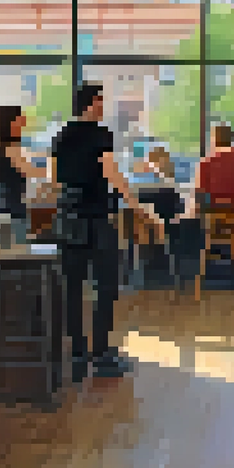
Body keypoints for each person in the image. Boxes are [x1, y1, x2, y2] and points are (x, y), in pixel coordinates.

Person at [52, 84, 137, 380]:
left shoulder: (61, 135)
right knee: (106, 286)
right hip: (98, 219)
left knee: (73, 288)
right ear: (89, 103)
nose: (103, 105)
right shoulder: (102, 134)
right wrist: (135, 203)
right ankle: (101, 353)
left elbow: (54, 177)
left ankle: (77, 350)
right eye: (100, 100)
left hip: (69, 218)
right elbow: (110, 171)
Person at [0, 105, 49, 243]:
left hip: (1, 204)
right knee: (16, 248)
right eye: (20, 119)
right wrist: (53, 169)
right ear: (11, 122)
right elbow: (29, 171)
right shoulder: (12, 149)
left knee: (4, 248)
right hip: (13, 207)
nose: (23, 122)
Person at [193, 123, 234, 217]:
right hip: (232, 207)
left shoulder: (207, 162)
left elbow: (201, 189)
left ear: (215, 139)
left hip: (212, 209)